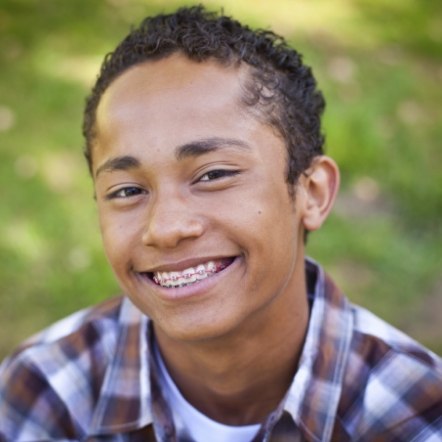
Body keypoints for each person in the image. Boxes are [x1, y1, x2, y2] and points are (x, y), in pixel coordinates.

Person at [0, 5, 441, 441]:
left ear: (312, 193)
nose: (166, 228)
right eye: (128, 190)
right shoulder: (42, 392)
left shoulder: (417, 415)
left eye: (213, 175)